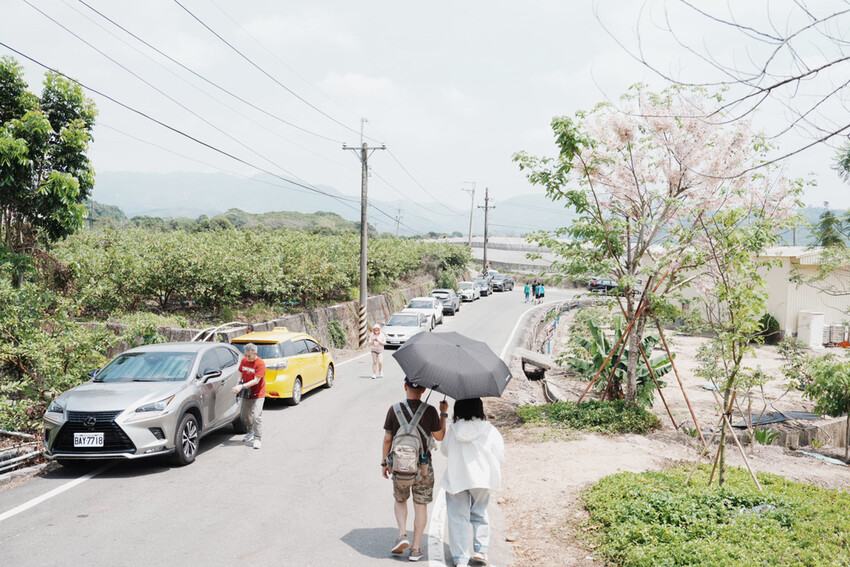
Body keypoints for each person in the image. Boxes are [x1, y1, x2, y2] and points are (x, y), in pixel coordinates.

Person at [381, 378, 449, 562]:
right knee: (420, 506)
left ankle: (402, 534)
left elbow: (388, 439)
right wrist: (443, 413)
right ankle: (416, 549)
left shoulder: (394, 409)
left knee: (400, 499)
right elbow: (440, 436)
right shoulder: (430, 411)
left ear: (405, 386)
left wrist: (384, 463)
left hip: (399, 466)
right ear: (424, 389)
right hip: (423, 467)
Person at [440, 398, 505, 567]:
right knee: (480, 512)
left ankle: (461, 558)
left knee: (457, 517)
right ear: (479, 408)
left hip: (457, 477)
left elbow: (444, 451)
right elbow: (500, 454)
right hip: (482, 477)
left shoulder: (454, 430)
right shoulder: (489, 429)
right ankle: (480, 550)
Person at [231, 343, 265, 449]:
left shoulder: (260, 363)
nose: (247, 357)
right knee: (244, 415)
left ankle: (257, 438)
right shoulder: (244, 360)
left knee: (256, 417)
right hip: (247, 393)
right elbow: (241, 373)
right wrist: (238, 384)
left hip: (258, 393)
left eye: (249, 355)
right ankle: (250, 431)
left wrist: (241, 387)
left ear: (255, 354)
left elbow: (256, 380)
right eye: (246, 355)